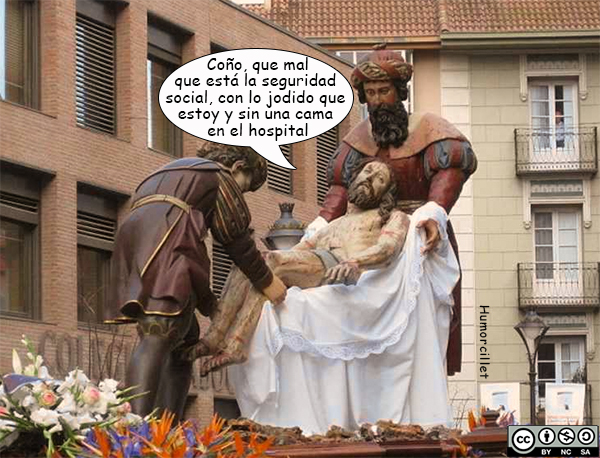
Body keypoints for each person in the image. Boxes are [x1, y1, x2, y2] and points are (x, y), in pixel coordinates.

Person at [304, 44, 477, 376]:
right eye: (370, 93)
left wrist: (432, 213)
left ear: (399, 92)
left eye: (384, 91)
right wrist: (318, 226)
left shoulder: (430, 129)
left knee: (418, 325)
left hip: (418, 235)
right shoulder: (357, 140)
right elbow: (339, 189)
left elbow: (449, 173)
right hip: (365, 237)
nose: (378, 100)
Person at [104, 145, 287, 421]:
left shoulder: (175, 172)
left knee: (185, 338)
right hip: (167, 242)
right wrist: (268, 281)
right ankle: (135, 429)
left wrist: (209, 303)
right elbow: (236, 238)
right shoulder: (217, 175)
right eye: (245, 187)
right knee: (158, 330)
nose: (241, 194)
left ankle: (167, 426)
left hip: (138, 245)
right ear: (238, 167)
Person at [184, 160, 411, 377]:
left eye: (379, 179)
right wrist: (274, 260)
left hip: (342, 270)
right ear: (356, 176)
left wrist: (356, 262)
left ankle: (234, 346)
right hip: (318, 264)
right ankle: (215, 337)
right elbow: (300, 250)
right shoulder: (334, 224)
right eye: (367, 171)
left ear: (386, 193)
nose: (370, 178)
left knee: (268, 263)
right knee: (250, 266)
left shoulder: (392, 217)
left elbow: (388, 248)